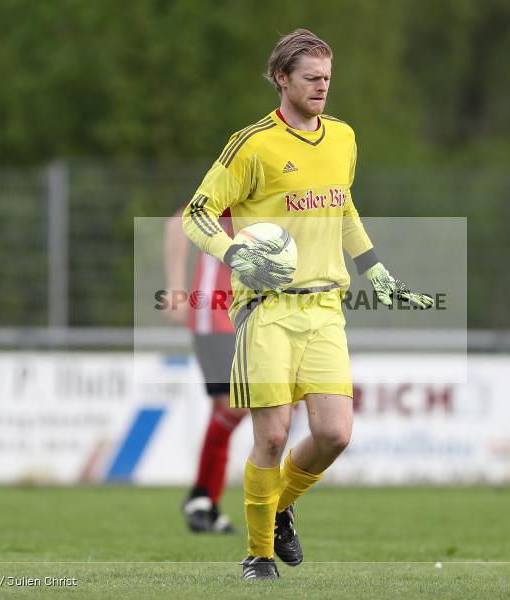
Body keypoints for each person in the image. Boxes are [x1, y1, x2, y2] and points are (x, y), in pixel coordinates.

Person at [181, 29, 433, 580]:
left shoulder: (343, 137)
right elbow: (196, 214)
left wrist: (376, 268)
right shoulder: (251, 145)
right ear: (281, 79)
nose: (322, 87)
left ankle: (279, 506)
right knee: (271, 435)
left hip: (325, 307)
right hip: (266, 308)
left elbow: (342, 208)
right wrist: (232, 254)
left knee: (334, 434)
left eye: (327, 77)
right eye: (311, 78)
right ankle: (258, 556)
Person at [163, 206, 248, 534]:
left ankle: (207, 505)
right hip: (214, 316)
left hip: (242, 319)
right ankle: (201, 495)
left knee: (226, 410)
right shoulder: (229, 188)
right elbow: (176, 224)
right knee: (235, 405)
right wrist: (175, 288)